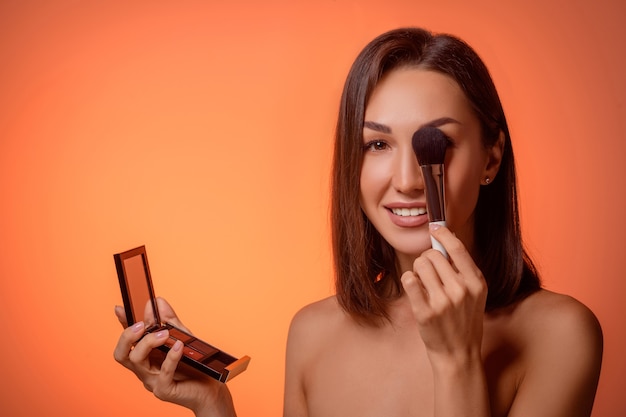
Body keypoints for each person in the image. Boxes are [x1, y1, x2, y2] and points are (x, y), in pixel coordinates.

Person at [114, 27, 603, 417]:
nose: (408, 180)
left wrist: (457, 362)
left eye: (437, 144)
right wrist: (213, 407)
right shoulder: (313, 333)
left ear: (491, 158)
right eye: (378, 145)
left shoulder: (559, 335)